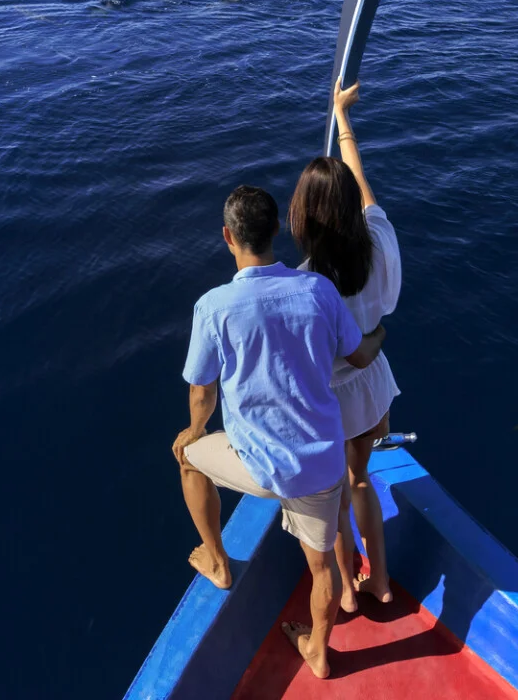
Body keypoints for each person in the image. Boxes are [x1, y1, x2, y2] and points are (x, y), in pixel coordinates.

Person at [173, 184, 386, 680]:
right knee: (322, 569)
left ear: (228, 237)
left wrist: (193, 432)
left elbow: (202, 392)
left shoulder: (213, 307)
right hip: (321, 466)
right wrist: (379, 332)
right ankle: (319, 653)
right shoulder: (319, 291)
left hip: (261, 467)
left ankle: (218, 562)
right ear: (275, 231)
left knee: (187, 459)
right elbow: (359, 356)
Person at [288, 80, 402, 613]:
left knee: (333, 500)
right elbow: (363, 186)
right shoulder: (379, 239)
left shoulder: (306, 283)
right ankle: (381, 579)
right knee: (362, 481)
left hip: (333, 401)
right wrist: (343, 119)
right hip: (372, 388)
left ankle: (349, 593)